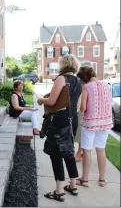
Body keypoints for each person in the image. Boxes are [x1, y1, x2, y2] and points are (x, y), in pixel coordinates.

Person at [37, 54, 82, 201]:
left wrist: (40, 99)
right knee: (69, 150)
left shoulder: (61, 79)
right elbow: (79, 106)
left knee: (56, 153)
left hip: (60, 119)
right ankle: (73, 185)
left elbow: (51, 100)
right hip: (72, 118)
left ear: (63, 65)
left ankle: (59, 191)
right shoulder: (78, 81)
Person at [76, 65, 113, 187]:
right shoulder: (106, 85)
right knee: (101, 149)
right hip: (105, 122)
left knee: (87, 151)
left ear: (84, 78)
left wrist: (80, 105)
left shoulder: (86, 87)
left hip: (90, 122)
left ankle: (85, 180)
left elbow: (83, 108)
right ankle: (102, 179)